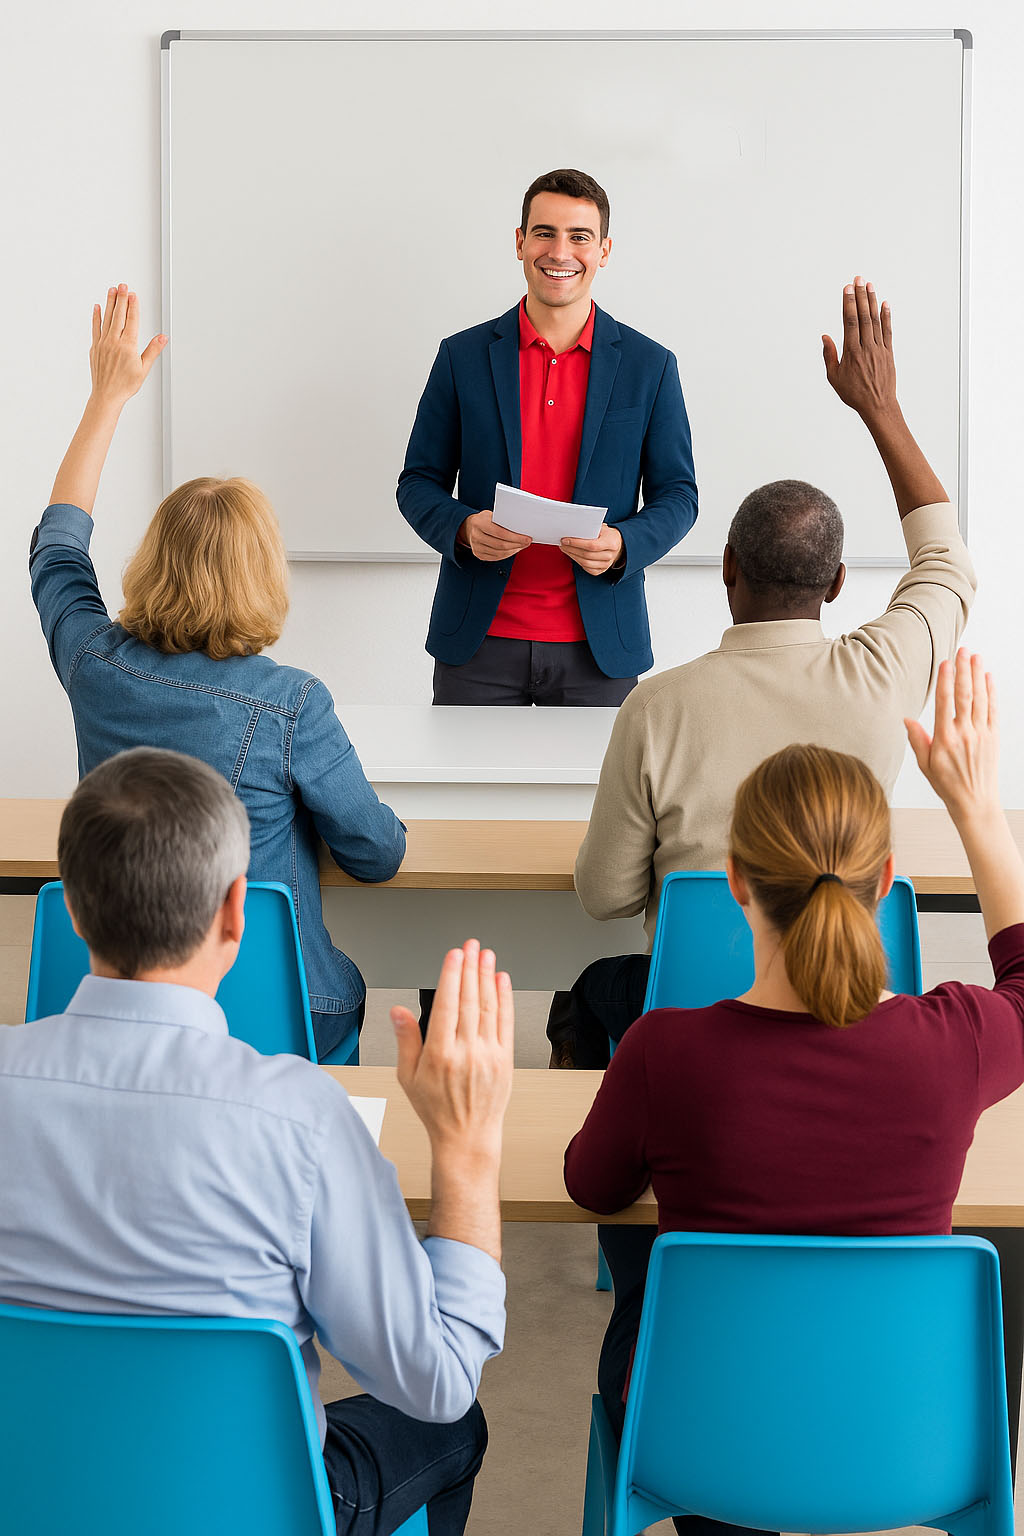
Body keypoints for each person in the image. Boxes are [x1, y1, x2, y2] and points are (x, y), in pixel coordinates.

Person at [564, 651, 1024, 1536]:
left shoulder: (664, 1052)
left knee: (644, 1288)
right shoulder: (955, 1043)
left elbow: (592, 1187)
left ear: (735, 880)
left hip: (703, 1445)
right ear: (884, 882)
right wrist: (976, 809)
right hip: (903, 1437)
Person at [0, 745, 513, 1536]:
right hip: (245, 1512)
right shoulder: (301, 1120)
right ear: (236, 910)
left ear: (70, 907)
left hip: (27, 1492)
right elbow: (436, 1381)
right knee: (453, 1427)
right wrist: (466, 1150)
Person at [549, 276, 976, 1066]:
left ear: (727, 567)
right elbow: (946, 560)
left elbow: (604, 897)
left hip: (694, 1021)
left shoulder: (655, 707)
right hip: (849, 1008)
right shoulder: (885, 674)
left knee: (594, 986)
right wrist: (880, 409)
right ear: (837, 583)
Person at [30, 283, 405, 1061]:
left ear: (153, 559)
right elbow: (376, 855)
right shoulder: (291, 704)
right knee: (348, 985)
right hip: (271, 1019)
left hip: (116, 1001)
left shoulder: (93, 663)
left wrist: (106, 399)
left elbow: (58, 547)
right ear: (264, 575)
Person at [397, 167, 697, 704]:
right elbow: (417, 482)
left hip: (600, 648)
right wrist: (462, 528)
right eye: (544, 233)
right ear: (520, 242)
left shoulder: (649, 366)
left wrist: (624, 544)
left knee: (603, 768)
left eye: (579, 236)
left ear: (604, 250)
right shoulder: (462, 357)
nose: (560, 252)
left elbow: (678, 495)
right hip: (478, 644)